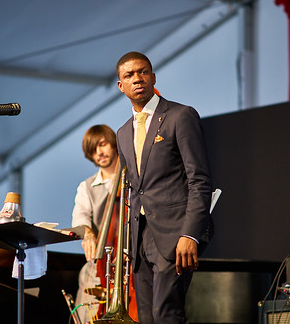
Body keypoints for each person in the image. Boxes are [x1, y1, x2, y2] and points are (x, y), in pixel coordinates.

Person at [115, 51, 213, 324]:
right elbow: (135, 191)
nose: (138, 79)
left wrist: (190, 235)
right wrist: (127, 246)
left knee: (166, 314)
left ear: (153, 77)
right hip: (140, 240)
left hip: (176, 233)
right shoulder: (123, 133)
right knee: (147, 318)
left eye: (143, 72)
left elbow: (200, 180)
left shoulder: (180, 116)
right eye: (129, 75)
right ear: (120, 86)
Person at [71, 124, 120, 324]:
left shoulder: (132, 177)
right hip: (102, 261)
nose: (99, 152)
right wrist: (88, 233)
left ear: (114, 144)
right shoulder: (86, 187)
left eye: (103, 144)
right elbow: (80, 217)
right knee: (86, 274)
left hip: (132, 258)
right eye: (93, 150)